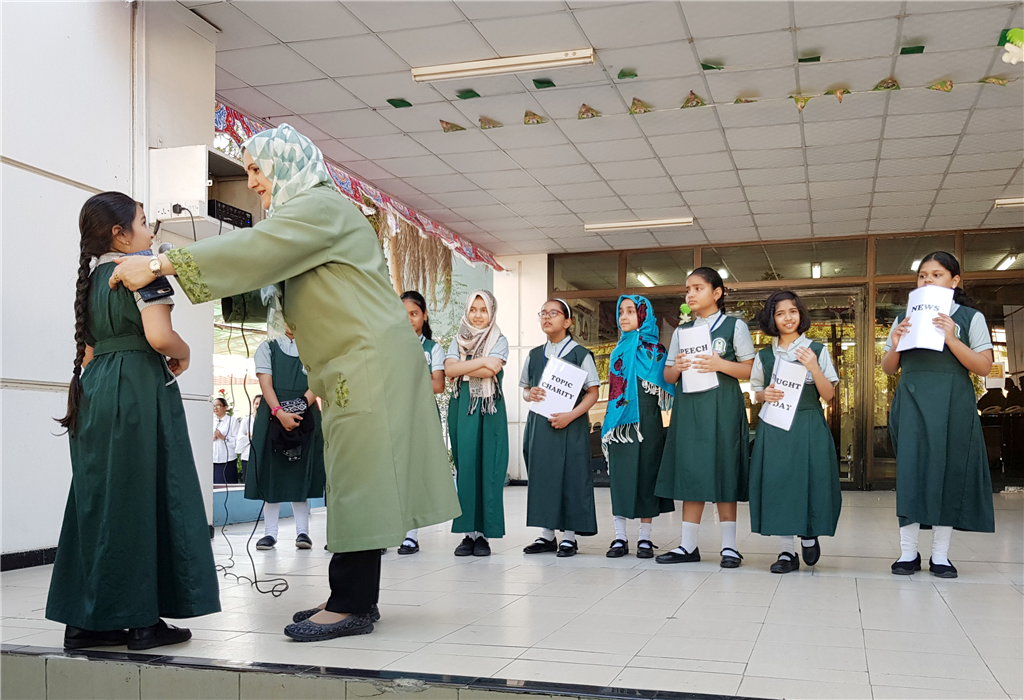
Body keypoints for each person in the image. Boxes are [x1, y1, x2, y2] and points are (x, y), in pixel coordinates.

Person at [109, 124, 460, 641]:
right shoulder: (315, 212)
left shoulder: (320, 206)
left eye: (257, 169)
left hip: (367, 361)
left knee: (359, 478)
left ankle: (351, 604)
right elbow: (271, 269)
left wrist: (162, 263)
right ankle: (352, 595)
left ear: (289, 163)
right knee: (354, 477)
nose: (252, 181)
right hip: (357, 361)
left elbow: (259, 248)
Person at [47, 192, 219, 651]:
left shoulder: (90, 283)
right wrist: (185, 352)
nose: (150, 231)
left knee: (98, 501)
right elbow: (159, 336)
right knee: (144, 497)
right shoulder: (141, 270)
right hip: (138, 389)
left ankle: (86, 623)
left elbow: (88, 352)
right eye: (143, 222)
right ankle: (143, 622)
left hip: (95, 391)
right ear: (119, 235)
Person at [882, 251, 995, 578]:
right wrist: (896, 342)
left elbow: (984, 366)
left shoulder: (970, 318)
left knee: (949, 472)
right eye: (923, 275)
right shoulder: (904, 317)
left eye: (937, 274)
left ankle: (940, 556)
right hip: (912, 400)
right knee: (911, 472)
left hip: (953, 403)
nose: (928, 280)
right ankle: (908, 552)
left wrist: (951, 339)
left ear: (954, 281)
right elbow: (888, 368)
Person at [656, 268, 755, 568]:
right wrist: (678, 367)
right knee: (692, 470)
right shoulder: (682, 331)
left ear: (717, 292)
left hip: (723, 408)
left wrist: (719, 364)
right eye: (688, 289)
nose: (690, 294)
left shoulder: (734, 326)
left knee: (724, 470)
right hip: (690, 409)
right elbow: (668, 375)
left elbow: (751, 370)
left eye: (698, 288)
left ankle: (729, 547)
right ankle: (687, 546)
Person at [748, 291, 842, 574]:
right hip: (775, 426)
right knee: (779, 482)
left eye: (792, 311)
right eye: (779, 313)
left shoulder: (817, 350)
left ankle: (809, 533)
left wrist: (813, 367)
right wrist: (764, 395)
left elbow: (829, 395)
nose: (787, 318)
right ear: (771, 320)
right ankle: (786, 551)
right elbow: (755, 392)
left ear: (801, 314)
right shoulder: (764, 355)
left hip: (808, 423)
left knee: (810, 479)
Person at [521, 299, 601, 557]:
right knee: (543, 476)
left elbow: (593, 392)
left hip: (570, 427)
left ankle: (569, 537)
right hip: (540, 427)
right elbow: (525, 390)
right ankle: (547, 535)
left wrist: (571, 415)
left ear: (568, 322)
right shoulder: (534, 355)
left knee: (571, 477)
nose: (546, 317)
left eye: (553, 313)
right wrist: (529, 393)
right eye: (543, 313)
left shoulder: (580, 354)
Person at [601, 295, 675, 559]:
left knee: (647, 476)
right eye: (621, 311)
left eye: (630, 311)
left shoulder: (657, 351)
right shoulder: (618, 350)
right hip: (619, 422)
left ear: (643, 315)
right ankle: (620, 537)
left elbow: (665, 385)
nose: (624, 317)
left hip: (648, 421)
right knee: (620, 479)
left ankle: (645, 538)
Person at [444, 290, 510, 557]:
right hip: (463, 409)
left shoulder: (499, 339)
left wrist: (465, 365)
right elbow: (449, 370)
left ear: (491, 312)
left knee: (489, 468)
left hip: (489, 409)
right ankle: (467, 534)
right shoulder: (457, 339)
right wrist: (482, 361)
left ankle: (483, 536)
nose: (478, 315)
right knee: (467, 467)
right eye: (474, 309)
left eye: (484, 310)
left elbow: (492, 370)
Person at [247, 328, 325, 551]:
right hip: (272, 415)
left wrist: (301, 405)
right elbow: (266, 384)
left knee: (301, 471)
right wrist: (279, 412)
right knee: (272, 472)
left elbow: (317, 382)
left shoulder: (314, 347)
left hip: (305, 414)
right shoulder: (268, 348)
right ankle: (269, 533)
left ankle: (303, 532)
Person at [397, 290, 446, 555]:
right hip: (393, 415)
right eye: (403, 314)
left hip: (421, 417)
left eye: (414, 313)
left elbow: (438, 385)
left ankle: (411, 535)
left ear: (424, 316)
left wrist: (407, 378)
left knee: (412, 474)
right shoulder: (389, 346)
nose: (409, 319)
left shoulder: (433, 348)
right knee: (390, 473)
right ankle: (386, 531)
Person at [212, 397, 238, 484]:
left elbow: (237, 441)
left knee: (228, 484)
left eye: (218, 406)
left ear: (225, 407)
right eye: (213, 406)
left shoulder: (232, 421)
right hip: (214, 459)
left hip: (228, 459)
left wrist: (223, 437)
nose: (215, 408)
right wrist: (213, 437)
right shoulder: (211, 421)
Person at [237, 395, 261, 482]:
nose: (258, 406)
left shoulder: (268, 421)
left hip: (262, 456)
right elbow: (240, 438)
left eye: (260, 404)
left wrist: (250, 435)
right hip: (247, 456)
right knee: (248, 480)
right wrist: (252, 436)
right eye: (256, 403)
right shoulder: (246, 420)